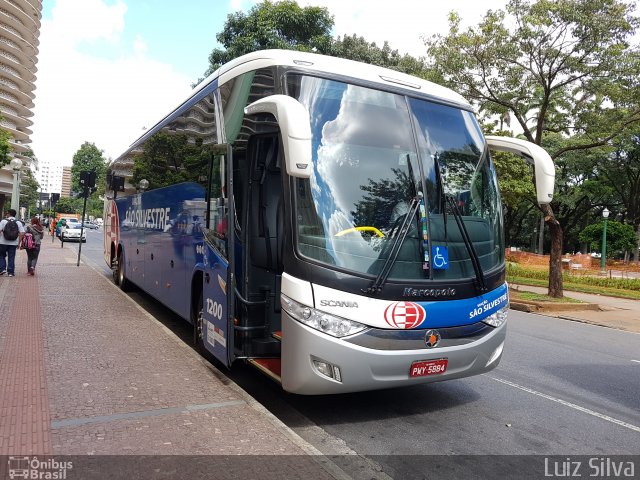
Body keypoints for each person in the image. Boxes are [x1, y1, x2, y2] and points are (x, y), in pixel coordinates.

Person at [0, 209, 25, 277]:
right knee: (11, 257)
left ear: (9, 214)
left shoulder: (3, 221)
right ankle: (10, 272)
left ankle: (2, 269)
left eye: (7, 213)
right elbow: (22, 233)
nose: (6, 214)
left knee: (1, 255)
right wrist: (18, 242)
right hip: (13, 243)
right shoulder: (18, 222)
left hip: (3, 242)